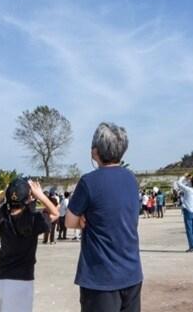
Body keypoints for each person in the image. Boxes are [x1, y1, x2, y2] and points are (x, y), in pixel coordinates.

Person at [65, 122, 143, 312]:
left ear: (95, 152)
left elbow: (69, 221)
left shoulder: (88, 182)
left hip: (101, 277)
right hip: (131, 272)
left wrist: (83, 217)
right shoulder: (131, 179)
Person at [0, 178, 59, 312]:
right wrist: (40, 194)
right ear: (29, 197)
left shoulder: (1, 219)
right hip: (21, 281)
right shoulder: (33, 219)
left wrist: (4, 193)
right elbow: (55, 213)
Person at [174, 173, 193, 253]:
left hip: (188, 211)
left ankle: (192, 247)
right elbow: (187, 184)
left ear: (191, 183)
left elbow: (178, 183)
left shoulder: (188, 190)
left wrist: (184, 176)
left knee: (189, 230)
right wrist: (189, 179)